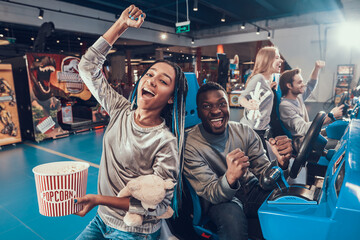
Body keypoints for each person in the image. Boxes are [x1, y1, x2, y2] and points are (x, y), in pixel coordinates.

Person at [74, 5, 188, 240]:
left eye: (163, 81)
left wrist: (99, 199)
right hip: (102, 219)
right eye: (149, 74)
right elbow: (87, 67)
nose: (152, 80)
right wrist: (121, 25)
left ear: (171, 98)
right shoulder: (120, 110)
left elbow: (158, 205)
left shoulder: (165, 141)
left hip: (137, 231)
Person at [184, 82, 292, 240]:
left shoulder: (244, 131)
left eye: (222, 104)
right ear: (199, 112)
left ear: (228, 106)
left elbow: (265, 176)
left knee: (286, 203)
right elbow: (210, 192)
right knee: (232, 219)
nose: (216, 111)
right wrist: (230, 177)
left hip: (251, 190)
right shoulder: (190, 144)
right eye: (207, 106)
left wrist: (281, 163)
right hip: (219, 201)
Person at [279, 60, 344, 153]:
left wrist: (317, 68)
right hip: (300, 141)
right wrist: (331, 116)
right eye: (299, 82)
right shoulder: (285, 106)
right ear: (289, 85)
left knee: (338, 131)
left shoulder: (298, 96)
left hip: (308, 134)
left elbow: (311, 84)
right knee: (338, 145)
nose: (303, 85)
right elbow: (303, 128)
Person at [239, 46, 283, 155]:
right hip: (252, 130)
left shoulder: (267, 80)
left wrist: (270, 89)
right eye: (277, 57)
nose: (281, 60)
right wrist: (249, 104)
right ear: (267, 60)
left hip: (261, 129)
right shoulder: (258, 78)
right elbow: (241, 98)